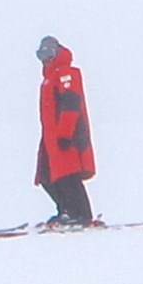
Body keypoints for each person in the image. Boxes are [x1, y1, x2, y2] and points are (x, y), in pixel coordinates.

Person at [34, 36, 98, 228]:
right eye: (41, 54)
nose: (45, 59)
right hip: (51, 137)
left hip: (66, 136)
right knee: (47, 176)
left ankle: (80, 214)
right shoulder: (48, 79)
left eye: (49, 53)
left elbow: (71, 104)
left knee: (68, 175)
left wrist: (65, 132)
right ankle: (65, 210)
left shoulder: (67, 74)